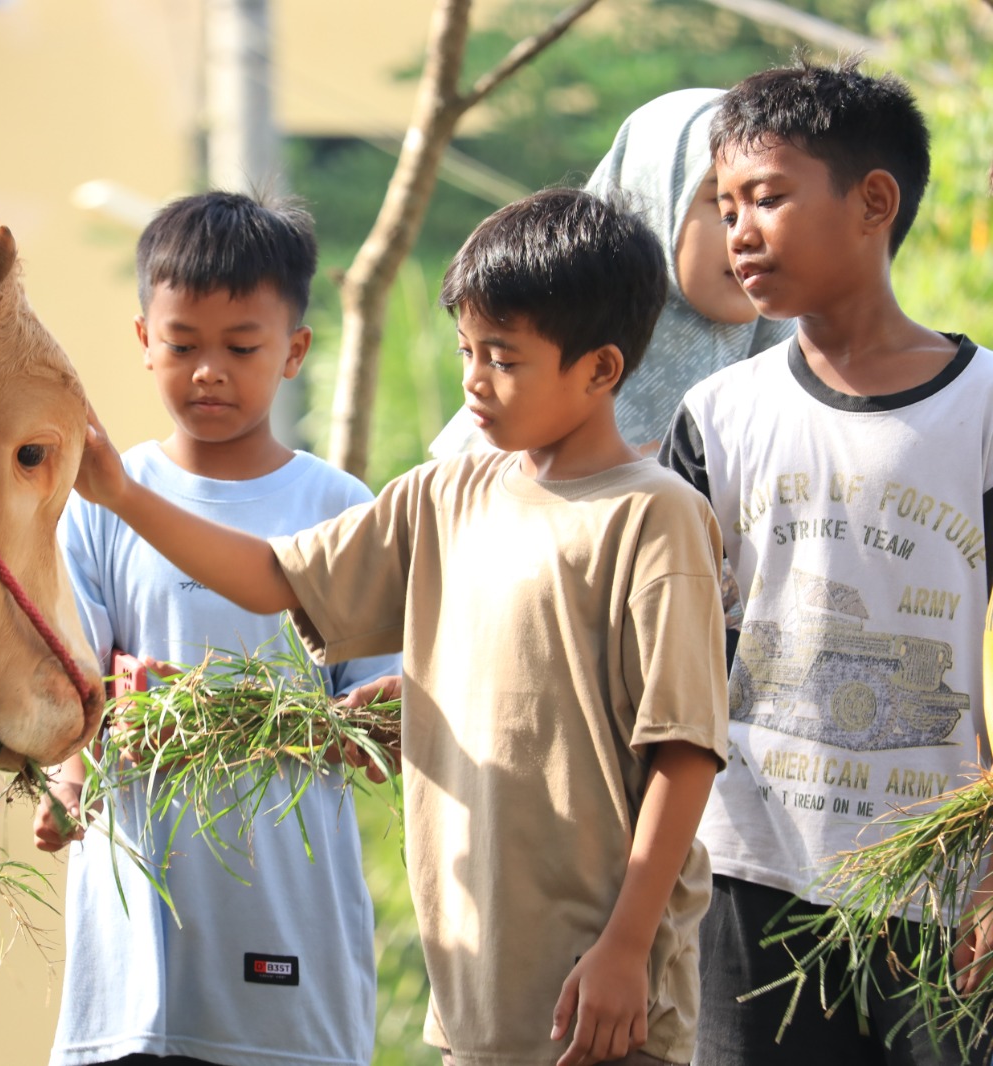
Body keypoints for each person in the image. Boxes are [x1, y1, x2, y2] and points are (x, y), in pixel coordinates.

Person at [71, 186, 730, 1066]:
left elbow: (685, 752)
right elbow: (274, 578)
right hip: (475, 987)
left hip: (603, 992)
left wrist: (627, 947)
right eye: (467, 349)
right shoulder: (443, 493)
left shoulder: (655, 516)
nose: (472, 381)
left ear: (601, 369)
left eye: (503, 358)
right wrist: (120, 494)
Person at [658, 58, 993, 1065]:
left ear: (872, 202)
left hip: (940, 886)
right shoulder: (716, 420)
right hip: (749, 879)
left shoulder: (979, 409)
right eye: (724, 205)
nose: (738, 231)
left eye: (766, 196)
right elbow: (679, 663)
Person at [33, 190, 401, 1066]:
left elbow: (378, 725)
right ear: (142, 341)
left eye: (241, 348)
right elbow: (76, 690)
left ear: (294, 353)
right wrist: (69, 779)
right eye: (183, 345)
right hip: (134, 930)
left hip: (283, 907)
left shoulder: (337, 509)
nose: (209, 372)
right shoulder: (94, 511)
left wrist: (251, 712)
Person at [428, 88, 794, 461]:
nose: (748, 233)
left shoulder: (815, 393)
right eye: (723, 202)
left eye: (768, 201)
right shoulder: (486, 463)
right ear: (651, 190)